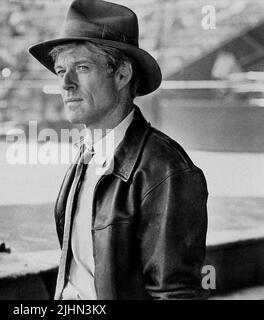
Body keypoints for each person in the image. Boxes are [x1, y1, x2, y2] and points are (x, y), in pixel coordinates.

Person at [29, 0, 208, 300]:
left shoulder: (167, 171)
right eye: (61, 71)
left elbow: (176, 295)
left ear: (122, 75)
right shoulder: (87, 153)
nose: (66, 84)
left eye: (82, 68)